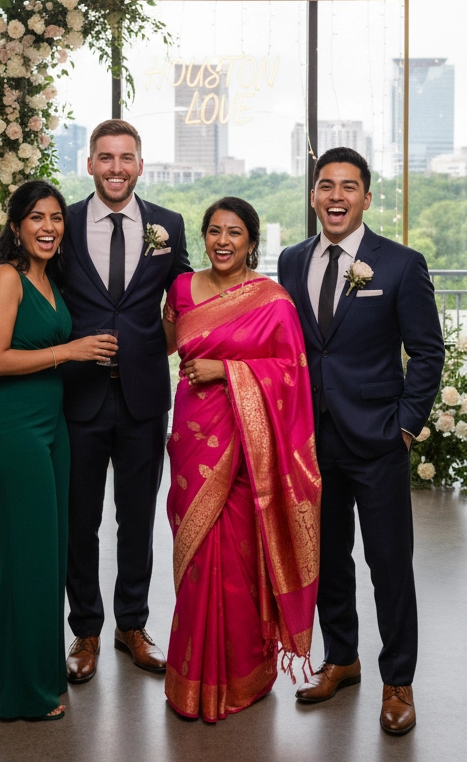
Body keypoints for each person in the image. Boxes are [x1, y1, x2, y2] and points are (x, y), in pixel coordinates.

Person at [277, 147, 445, 735]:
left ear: (366, 198)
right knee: (326, 557)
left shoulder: (400, 264)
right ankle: (341, 658)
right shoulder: (291, 260)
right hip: (312, 440)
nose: (336, 196)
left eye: (349, 187)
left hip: (377, 440)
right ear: (313, 196)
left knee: (389, 563)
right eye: (326, 185)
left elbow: (427, 352)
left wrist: (405, 426)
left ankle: (398, 680)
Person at [162, 197, 321, 722]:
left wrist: (225, 371)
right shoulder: (181, 289)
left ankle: (241, 677)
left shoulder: (272, 300)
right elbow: (163, 345)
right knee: (196, 557)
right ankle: (190, 680)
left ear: (251, 241)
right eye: (214, 231)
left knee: (237, 561)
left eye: (234, 232)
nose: (223, 241)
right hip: (193, 436)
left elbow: (292, 372)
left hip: (248, 450)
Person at [0, 181, 118, 721]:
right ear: (16, 226)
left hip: (51, 424)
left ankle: (35, 675)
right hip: (12, 425)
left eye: (57, 218)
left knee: (47, 556)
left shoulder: (49, 279)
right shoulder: (5, 277)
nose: (49, 227)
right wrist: (71, 350)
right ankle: (23, 694)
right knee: (27, 556)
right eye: (37, 217)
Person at [59, 119, 191, 683]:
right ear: (90, 163)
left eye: (126, 158)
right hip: (77, 396)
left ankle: (131, 625)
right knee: (79, 521)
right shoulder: (62, 222)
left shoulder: (168, 224)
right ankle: (86, 630)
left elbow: (185, 296)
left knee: (137, 520)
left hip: (143, 397)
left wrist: (167, 343)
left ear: (140, 164)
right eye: (106, 158)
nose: (116, 168)